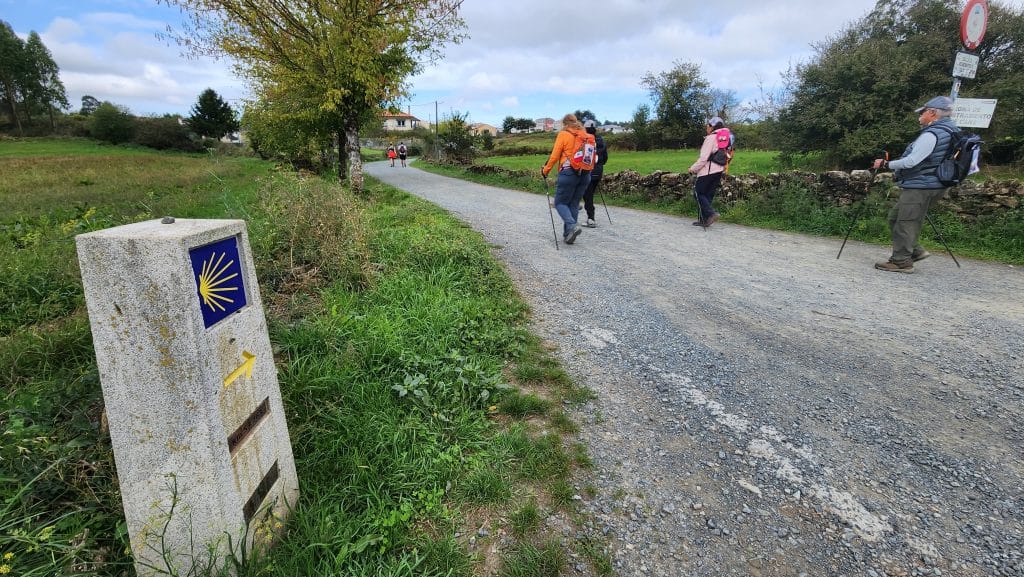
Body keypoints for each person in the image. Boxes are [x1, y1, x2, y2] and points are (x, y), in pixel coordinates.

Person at [871, 96, 958, 273]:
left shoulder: (933, 134)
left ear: (933, 113)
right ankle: (915, 251)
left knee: (906, 222)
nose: (920, 116)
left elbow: (912, 161)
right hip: (934, 183)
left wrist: (886, 164)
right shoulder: (951, 131)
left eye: (923, 112)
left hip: (921, 185)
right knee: (896, 217)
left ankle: (901, 261)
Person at [541, 114, 592, 245]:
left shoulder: (564, 134)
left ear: (564, 124)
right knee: (574, 203)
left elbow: (555, 156)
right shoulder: (584, 134)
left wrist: (545, 170)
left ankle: (572, 225)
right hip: (585, 174)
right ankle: (568, 235)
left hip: (568, 173)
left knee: (559, 203)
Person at [688, 116, 729, 227]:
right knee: (707, 195)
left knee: (698, 193)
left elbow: (703, 158)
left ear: (712, 126)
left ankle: (711, 214)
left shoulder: (711, 138)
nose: (707, 127)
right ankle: (704, 220)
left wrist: (693, 169)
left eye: (708, 125)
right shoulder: (725, 139)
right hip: (719, 170)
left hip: (708, 171)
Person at [581, 119, 608, 227]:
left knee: (588, 196)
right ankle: (590, 216)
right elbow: (605, 157)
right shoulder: (601, 139)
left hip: (588, 171)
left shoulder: (586, 140)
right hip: (599, 170)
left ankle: (591, 218)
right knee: (589, 194)